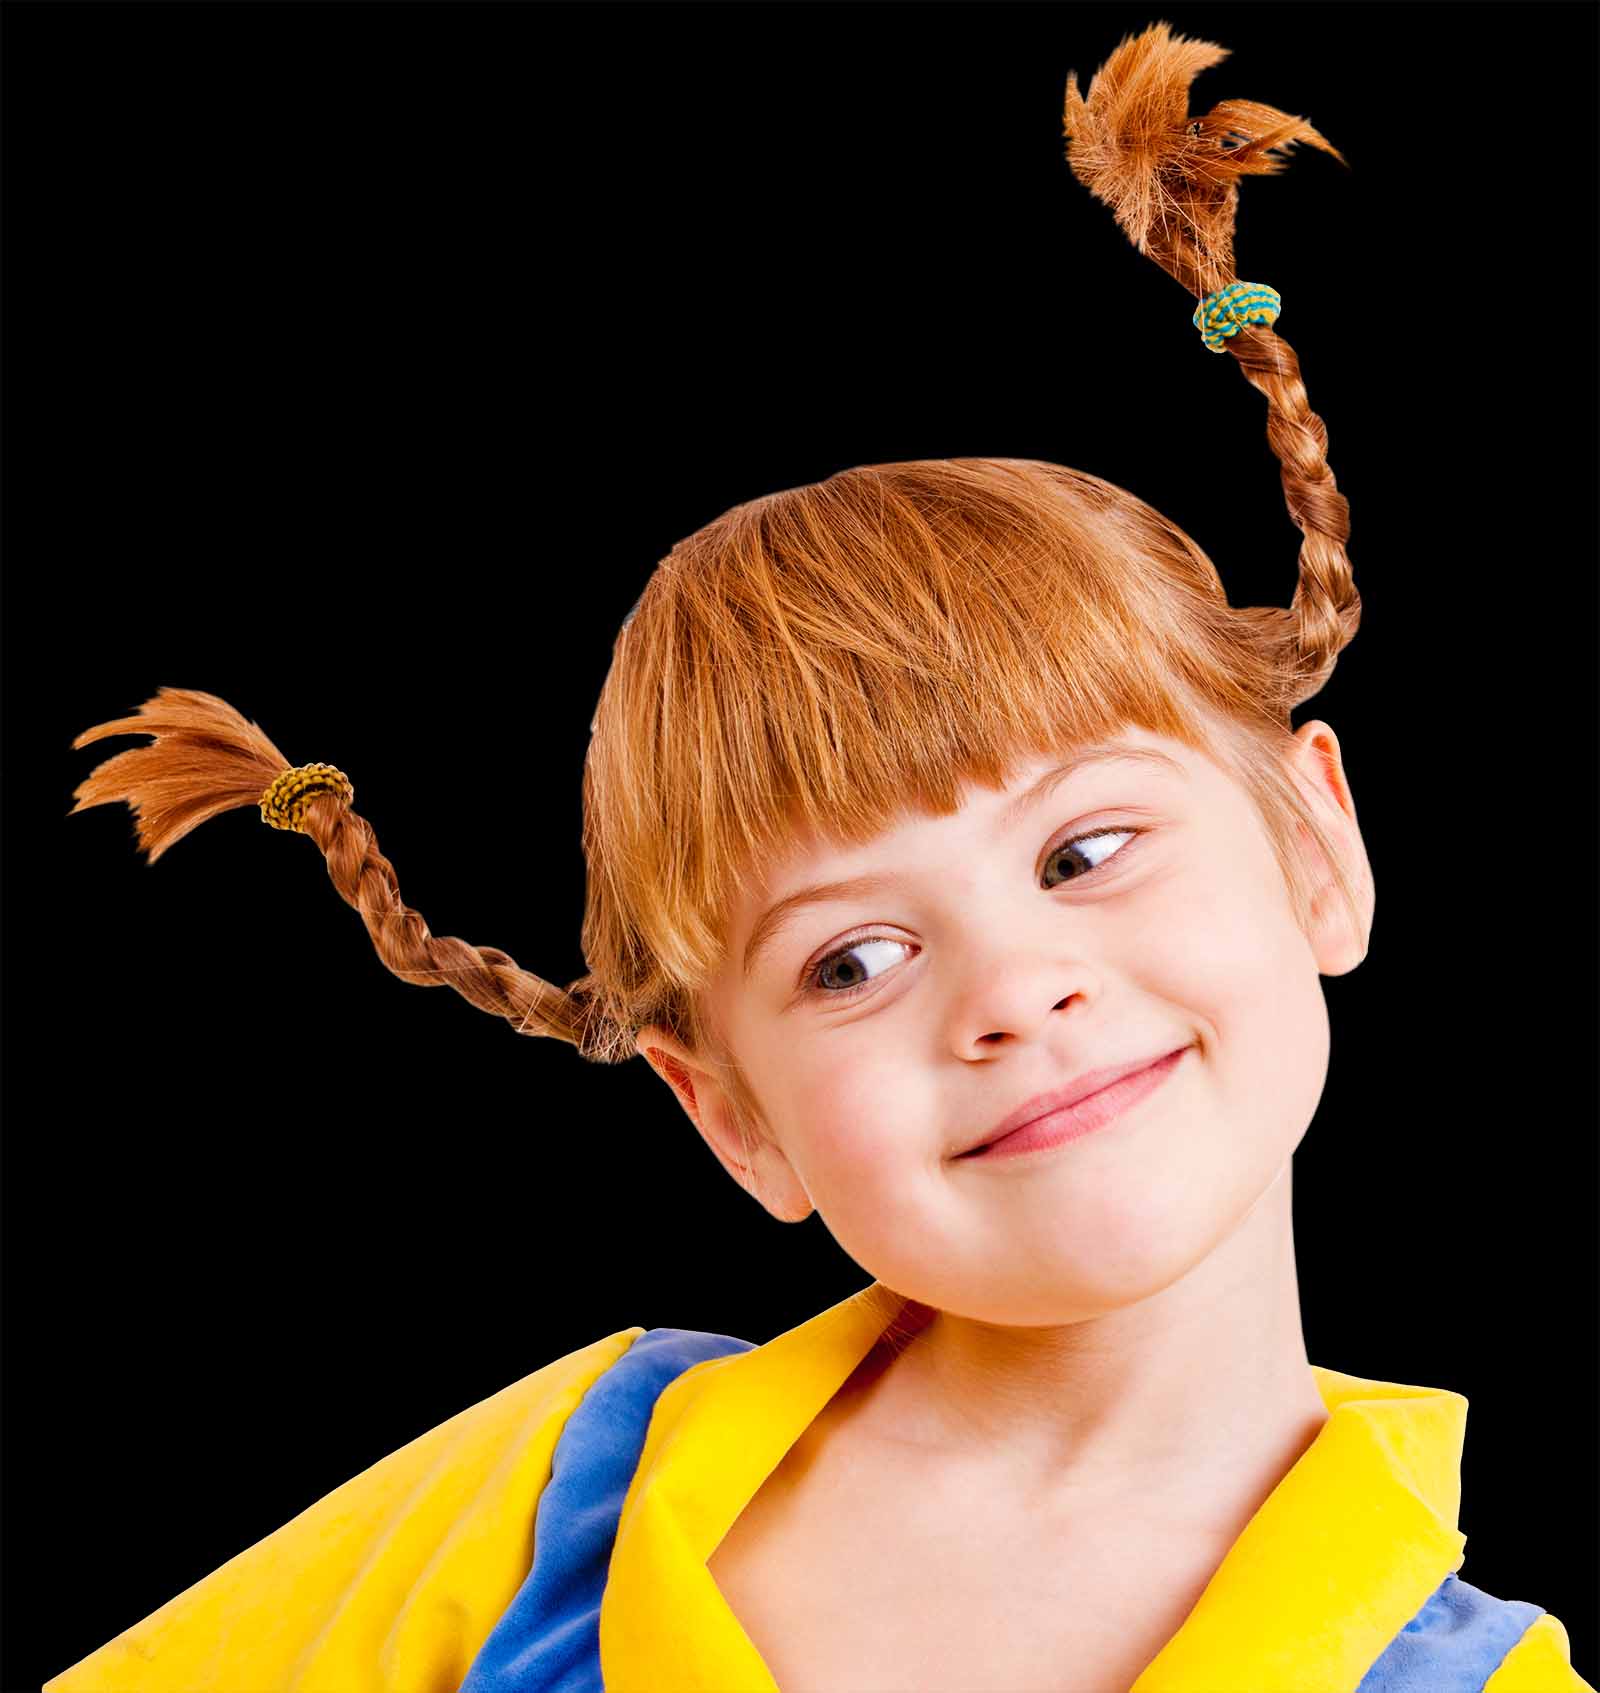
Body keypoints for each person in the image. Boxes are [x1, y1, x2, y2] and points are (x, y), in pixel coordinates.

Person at [46, 20, 1591, 1693]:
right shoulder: (554, 1495)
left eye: (1084, 849)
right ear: (732, 1113)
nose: (1014, 991)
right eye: (852, 959)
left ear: (1315, 848)